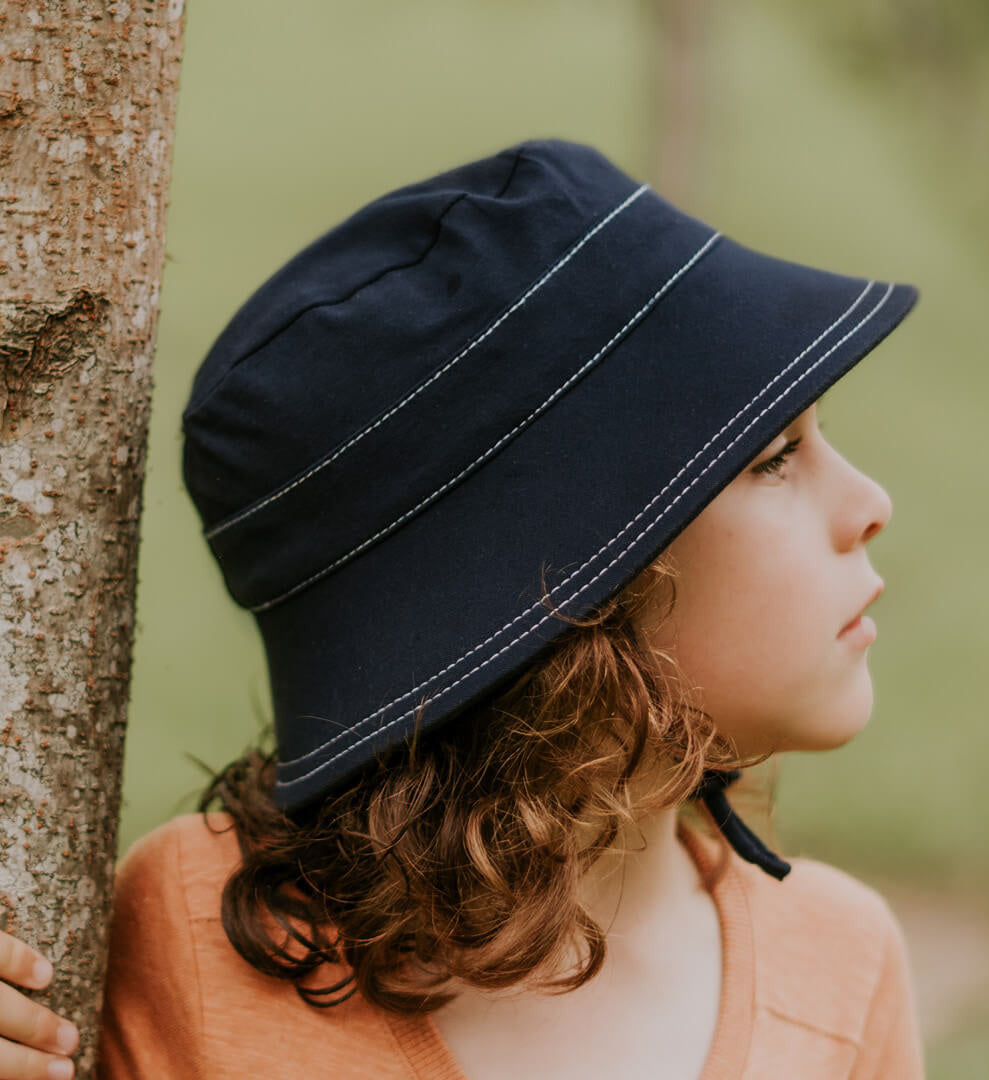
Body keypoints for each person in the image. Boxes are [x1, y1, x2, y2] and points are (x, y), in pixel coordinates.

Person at [0, 138, 925, 1079]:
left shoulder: (841, 975)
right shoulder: (190, 946)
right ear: (564, 583)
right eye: (773, 456)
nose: (870, 502)